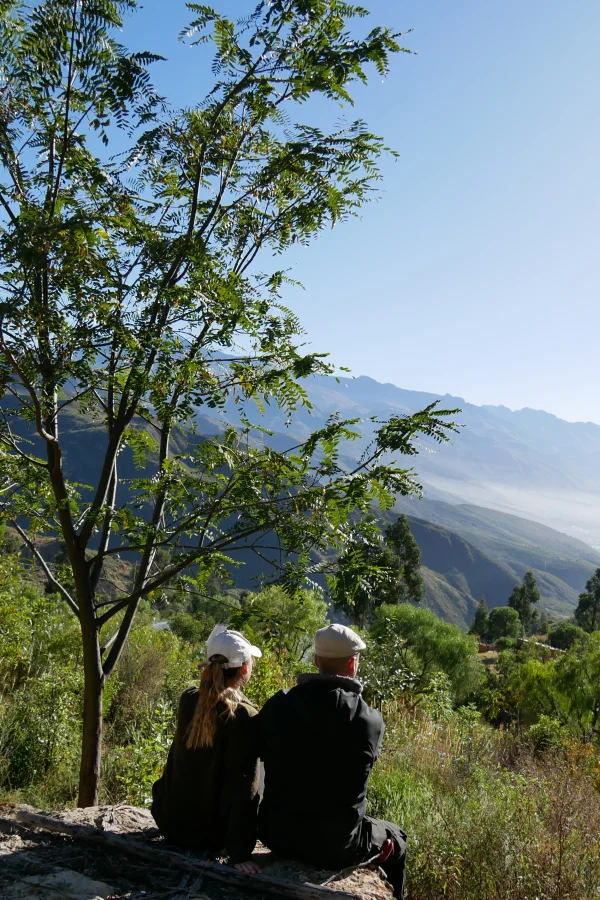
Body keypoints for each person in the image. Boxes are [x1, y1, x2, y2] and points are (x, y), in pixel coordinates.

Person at [256, 623, 407, 898]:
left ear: (316, 661)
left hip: (276, 834)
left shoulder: (278, 706)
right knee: (398, 839)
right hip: (337, 847)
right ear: (353, 663)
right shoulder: (369, 720)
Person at [151, 625, 262, 874]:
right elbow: (243, 787)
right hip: (210, 837)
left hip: (169, 823)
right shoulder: (245, 716)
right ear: (245, 668)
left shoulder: (188, 698)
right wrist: (240, 852)